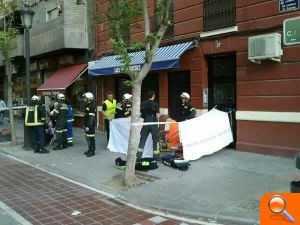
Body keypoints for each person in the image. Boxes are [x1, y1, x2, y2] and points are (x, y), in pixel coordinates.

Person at [137, 91, 160, 160]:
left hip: (146, 122)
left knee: (143, 139)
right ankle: (156, 156)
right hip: (153, 122)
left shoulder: (143, 103)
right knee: (155, 139)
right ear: (153, 96)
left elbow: (141, 114)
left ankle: (139, 155)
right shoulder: (155, 104)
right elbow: (158, 115)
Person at [83, 92, 96, 157]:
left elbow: (91, 117)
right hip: (87, 124)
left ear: (89, 99)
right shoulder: (87, 105)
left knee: (91, 138)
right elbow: (86, 116)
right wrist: (84, 124)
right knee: (87, 137)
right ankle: (89, 149)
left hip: (90, 125)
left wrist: (88, 126)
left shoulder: (92, 106)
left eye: (85, 98)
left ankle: (92, 151)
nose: (84, 99)